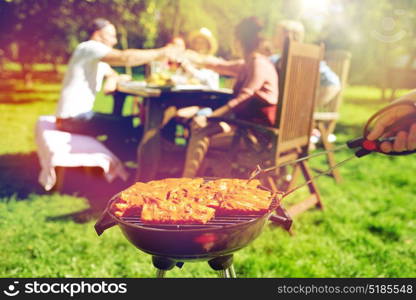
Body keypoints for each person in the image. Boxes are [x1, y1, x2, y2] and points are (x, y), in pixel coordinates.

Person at [55, 18, 180, 146]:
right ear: (98, 35)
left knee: (125, 123)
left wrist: (115, 78)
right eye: (112, 36)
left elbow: (112, 74)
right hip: (72, 119)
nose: (114, 41)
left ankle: (117, 151)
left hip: (72, 118)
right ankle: (141, 155)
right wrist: (161, 52)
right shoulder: (90, 47)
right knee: (128, 126)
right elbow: (125, 58)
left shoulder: (94, 58)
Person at [182, 17, 278, 177]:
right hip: (249, 129)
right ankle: (214, 186)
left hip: (257, 137)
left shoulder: (257, 64)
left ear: (239, 41)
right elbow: (220, 66)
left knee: (200, 132)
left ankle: (186, 184)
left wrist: (211, 117)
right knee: (202, 130)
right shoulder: (252, 63)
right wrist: (193, 58)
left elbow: (244, 97)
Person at [271, 20, 341, 107]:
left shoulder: (308, 62)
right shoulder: (274, 60)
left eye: (277, 34)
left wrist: (308, 107)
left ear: (288, 36)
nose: (273, 37)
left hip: (291, 112)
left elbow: (333, 83)